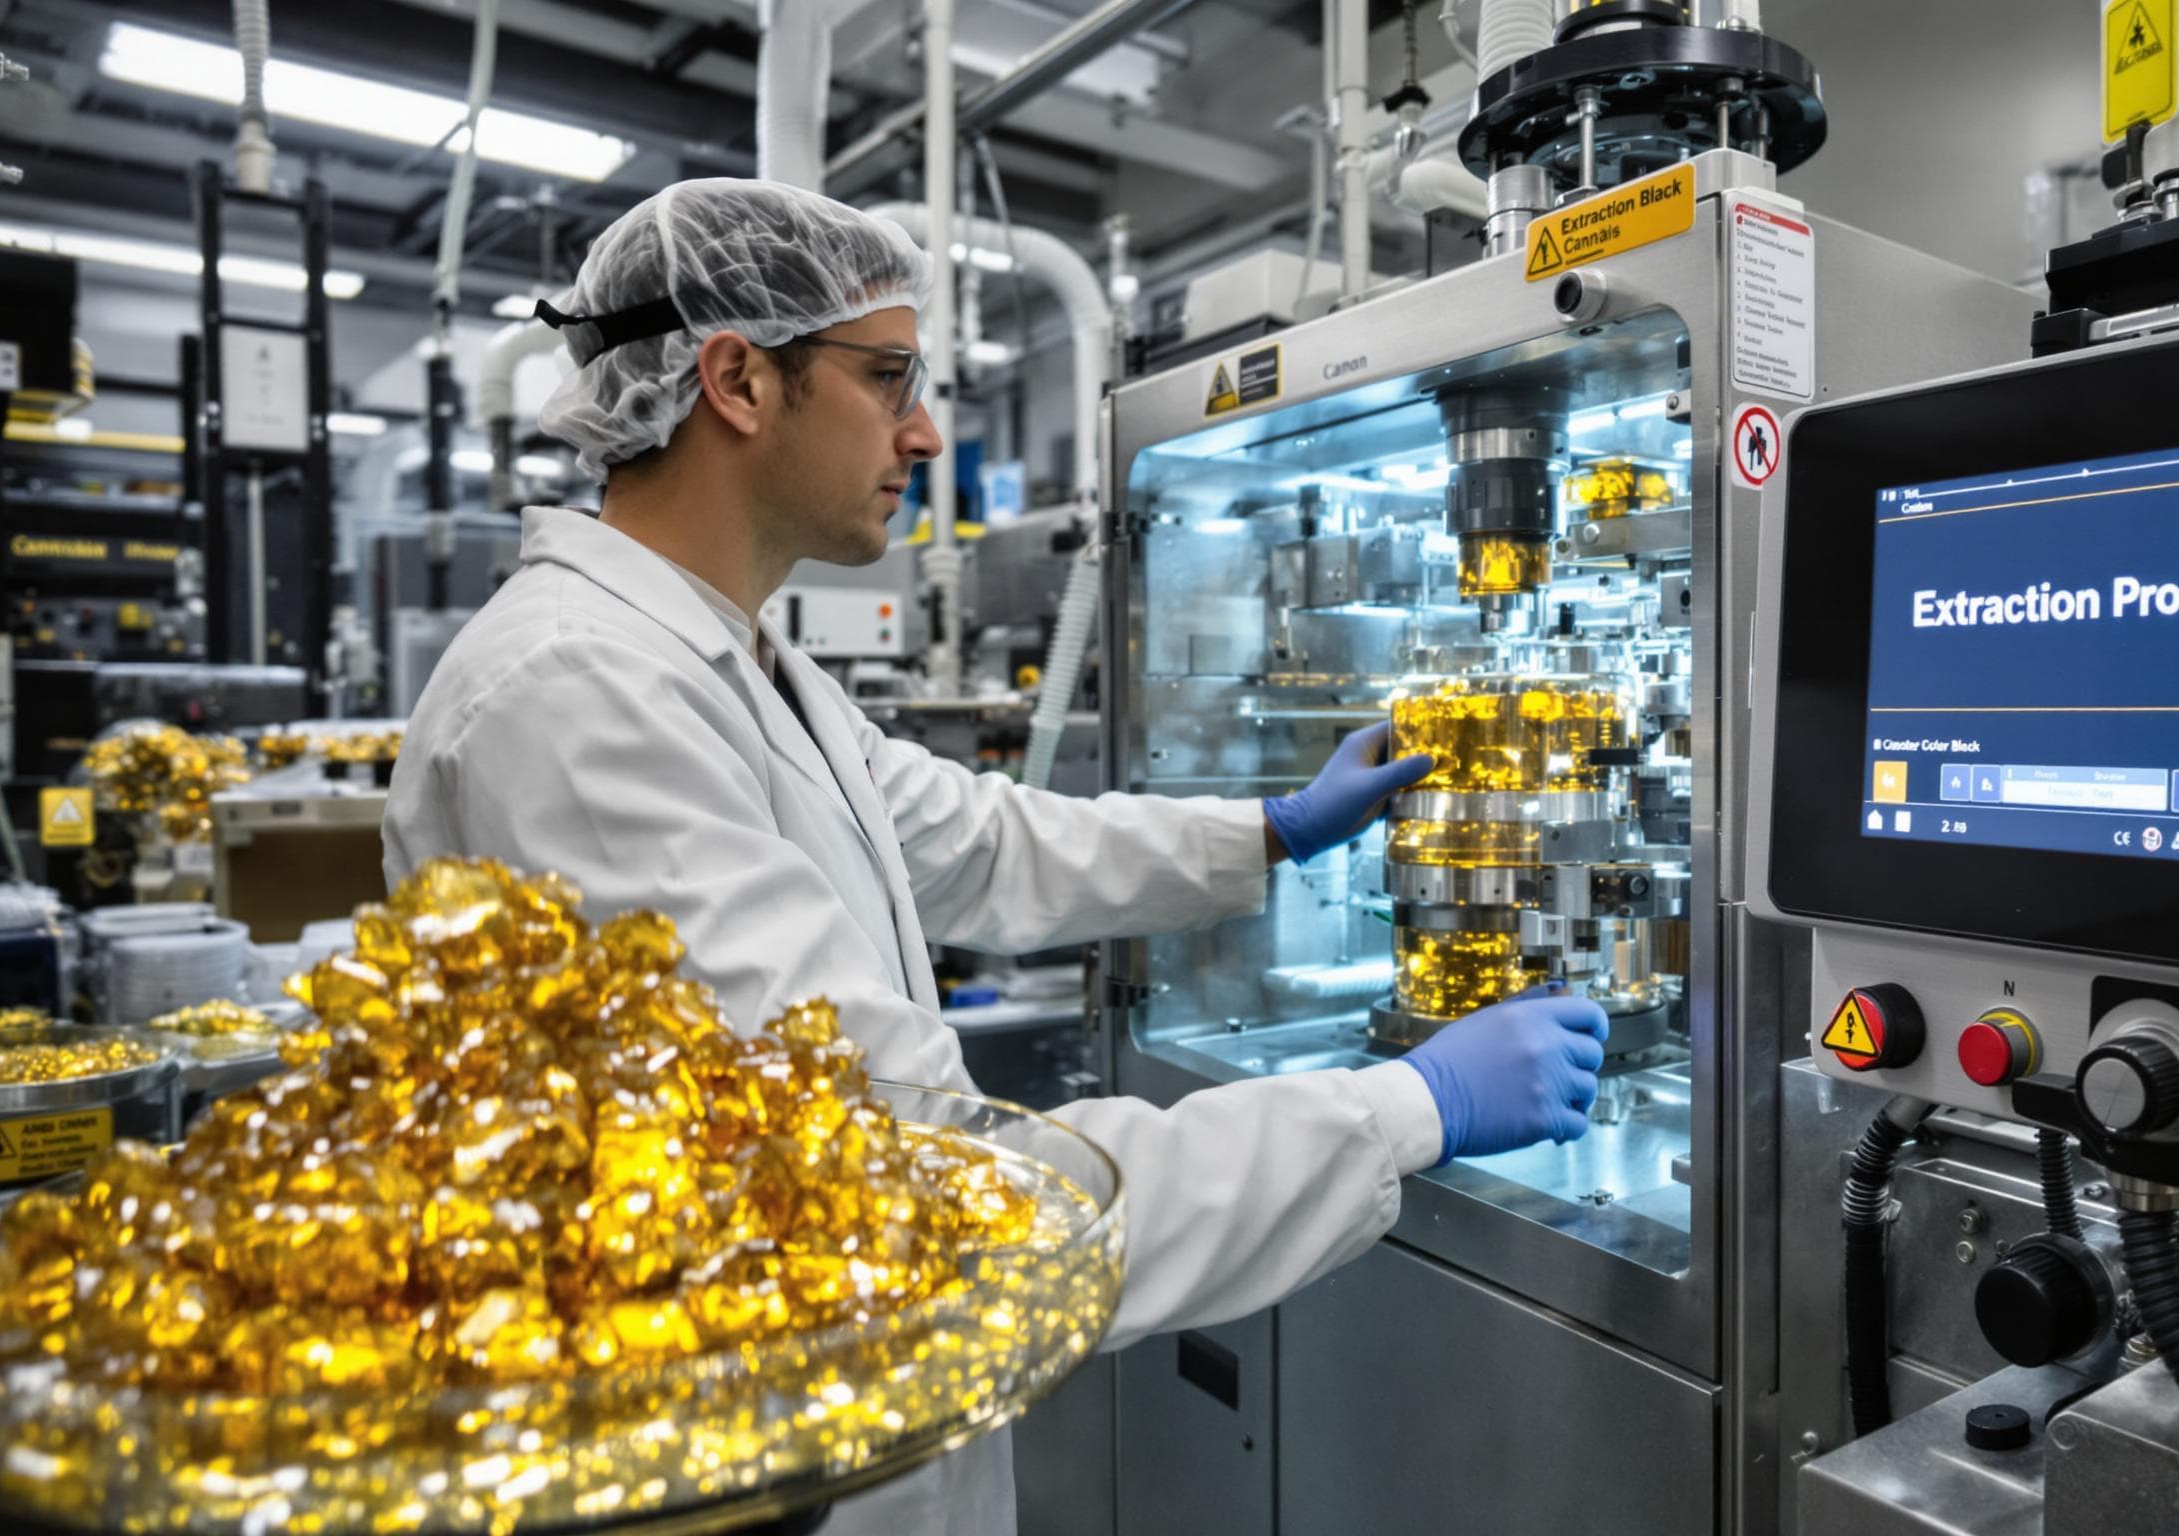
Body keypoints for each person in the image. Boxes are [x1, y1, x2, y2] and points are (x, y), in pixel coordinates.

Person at [381, 179, 1609, 1534]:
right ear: (736, 378)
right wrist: (1410, 1107)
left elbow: (976, 841)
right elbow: (913, 1198)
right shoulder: (574, 698)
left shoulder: (726, 656)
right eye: (890, 375)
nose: (921, 430)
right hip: (748, 1470)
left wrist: (1273, 829)